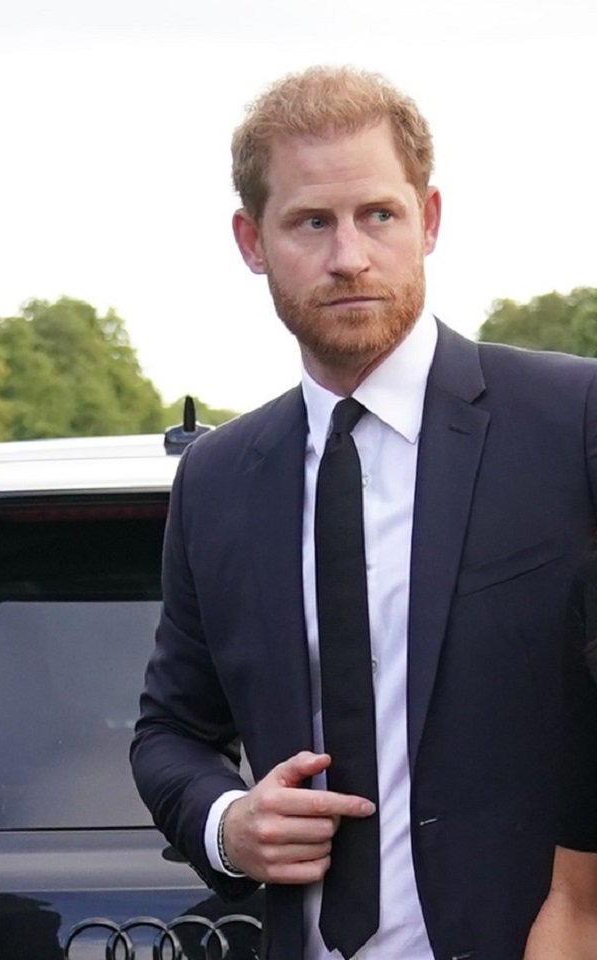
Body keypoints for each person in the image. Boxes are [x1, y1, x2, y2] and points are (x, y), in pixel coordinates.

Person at [129, 65, 597, 960]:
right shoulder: (218, 479)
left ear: (427, 219)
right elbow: (171, 731)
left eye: (377, 215)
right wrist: (228, 823)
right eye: (312, 221)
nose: (349, 257)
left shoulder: (572, 423)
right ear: (251, 238)